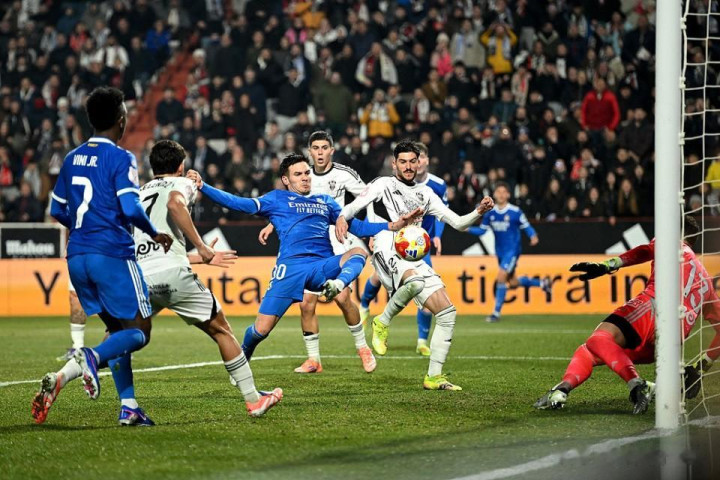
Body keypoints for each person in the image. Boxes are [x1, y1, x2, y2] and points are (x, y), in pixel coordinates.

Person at [186, 154, 422, 362]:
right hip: (290, 270)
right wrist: (203, 186)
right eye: (298, 174)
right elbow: (238, 203)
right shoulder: (276, 199)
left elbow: (357, 227)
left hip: (322, 267)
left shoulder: (325, 202)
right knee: (261, 330)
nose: (305, 178)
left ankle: (337, 285)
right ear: (286, 180)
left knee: (358, 252)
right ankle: (243, 357)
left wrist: (393, 225)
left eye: (307, 173)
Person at [32, 87, 174, 426]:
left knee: (117, 329)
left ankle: (129, 407)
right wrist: (155, 233)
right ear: (121, 121)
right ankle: (90, 357)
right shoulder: (121, 158)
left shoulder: (72, 157)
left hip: (77, 255)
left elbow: (57, 209)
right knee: (139, 331)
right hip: (111, 253)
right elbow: (130, 208)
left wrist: (86, 226)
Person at [135, 139, 282, 417]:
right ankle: (253, 399)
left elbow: (153, 244)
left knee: (120, 336)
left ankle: (67, 373)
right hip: (174, 274)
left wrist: (197, 257)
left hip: (141, 274)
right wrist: (202, 247)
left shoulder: (138, 194)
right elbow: (175, 204)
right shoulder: (182, 183)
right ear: (181, 166)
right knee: (221, 329)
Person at [335, 140, 495, 391]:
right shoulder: (383, 184)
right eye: (403, 162)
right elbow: (352, 207)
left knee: (447, 313)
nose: (408, 166)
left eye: (412, 161)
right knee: (415, 282)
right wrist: (342, 218)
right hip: (386, 247)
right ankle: (382, 321)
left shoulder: (426, 193)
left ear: (419, 162)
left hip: (412, 256)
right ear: (394, 164)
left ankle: (434, 376)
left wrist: (479, 211)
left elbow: (458, 223)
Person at [534, 216, 720, 414]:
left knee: (598, 339)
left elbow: (644, 251)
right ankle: (561, 390)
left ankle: (637, 384)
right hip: (668, 343)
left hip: (652, 310)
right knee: (591, 351)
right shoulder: (706, 282)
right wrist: (701, 366)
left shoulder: (672, 242)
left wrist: (609, 264)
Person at [257, 131, 376, 374]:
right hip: (310, 243)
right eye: (315, 148)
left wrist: (371, 230)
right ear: (310, 151)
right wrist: (272, 224)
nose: (320, 153)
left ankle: (362, 347)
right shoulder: (303, 174)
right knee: (306, 303)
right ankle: (314, 360)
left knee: (342, 298)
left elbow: (369, 197)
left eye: (324, 148)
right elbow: (290, 205)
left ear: (332, 150)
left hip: (337, 237)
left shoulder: (343, 174)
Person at [359, 142, 448, 356]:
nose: (415, 163)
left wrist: (437, 235)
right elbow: (375, 207)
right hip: (393, 240)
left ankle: (421, 341)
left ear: (424, 161)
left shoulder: (437, 186)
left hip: (419, 245)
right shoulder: (390, 183)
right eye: (406, 161)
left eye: (420, 158)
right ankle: (364, 306)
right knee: (378, 277)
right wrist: (373, 234)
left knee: (424, 290)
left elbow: (443, 213)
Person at [466, 182, 550, 323]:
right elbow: (482, 230)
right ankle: (542, 283)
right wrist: (467, 228)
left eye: (503, 192)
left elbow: (526, 225)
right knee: (513, 282)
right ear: (494, 194)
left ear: (508, 195)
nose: (501, 194)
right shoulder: (490, 213)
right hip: (500, 252)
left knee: (501, 276)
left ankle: (496, 313)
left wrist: (533, 235)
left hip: (513, 251)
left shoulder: (515, 212)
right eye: (498, 192)